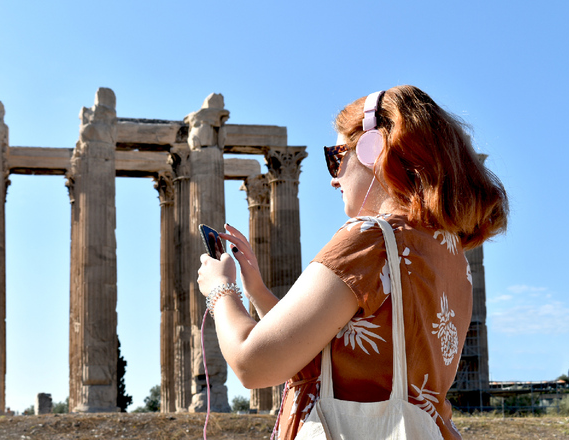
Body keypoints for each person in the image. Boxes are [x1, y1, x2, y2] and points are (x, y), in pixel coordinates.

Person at [197, 85, 508, 440]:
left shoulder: (367, 241)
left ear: (374, 149)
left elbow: (253, 364)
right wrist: (257, 290)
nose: (333, 176)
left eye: (336, 156)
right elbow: (328, 352)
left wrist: (222, 290)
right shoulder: (449, 255)